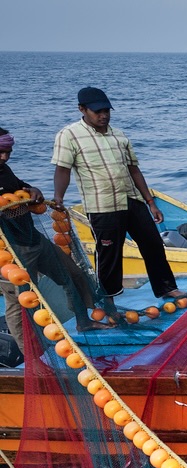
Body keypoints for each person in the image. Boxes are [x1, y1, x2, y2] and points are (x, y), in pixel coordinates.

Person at [50, 87, 184, 314]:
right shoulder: (69, 135)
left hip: (131, 199)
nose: (104, 115)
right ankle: (109, 299)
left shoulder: (119, 135)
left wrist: (150, 202)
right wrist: (58, 198)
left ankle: (166, 288)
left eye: (107, 111)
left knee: (152, 244)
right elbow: (63, 170)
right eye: (97, 111)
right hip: (102, 205)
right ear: (82, 109)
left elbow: (134, 170)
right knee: (109, 254)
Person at [1, 127, 108, 333]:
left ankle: (83, 321)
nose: (5, 157)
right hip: (11, 251)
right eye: (0, 152)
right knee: (21, 302)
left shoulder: (4, 170)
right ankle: (29, 354)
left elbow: (20, 187)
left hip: (34, 239)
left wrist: (34, 190)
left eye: (8, 152)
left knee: (74, 274)